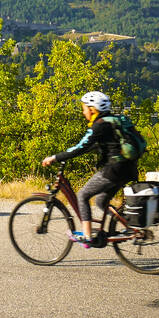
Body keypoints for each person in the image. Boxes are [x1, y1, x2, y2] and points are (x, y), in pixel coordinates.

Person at [41, 91, 138, 248]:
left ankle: (87, 236)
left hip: (114, 170)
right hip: (128, 169)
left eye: (84, 108)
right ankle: (130, 227)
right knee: (100, 201)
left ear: (92, 109)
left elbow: (80, 147)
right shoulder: (112, 121)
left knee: (82, 195)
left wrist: (55, 157)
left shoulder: (99, 125)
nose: (83, 111)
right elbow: (93, 146)